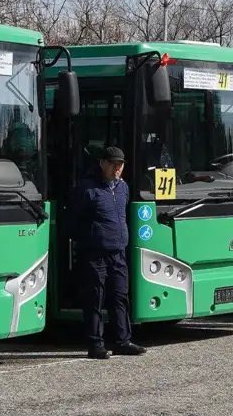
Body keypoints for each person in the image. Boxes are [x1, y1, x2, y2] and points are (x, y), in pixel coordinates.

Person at [68, 146, 147, 359]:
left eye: (120, 165)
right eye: (113, 164)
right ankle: (96, 345)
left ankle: (123, 341)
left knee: (120, 297)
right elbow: (72, 221)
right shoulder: (87, 189)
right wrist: (90, 240)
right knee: (95, 299)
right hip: (94, 253)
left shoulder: (123, 188)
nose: (117, 169)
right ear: (102, 163)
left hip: (118, 252)